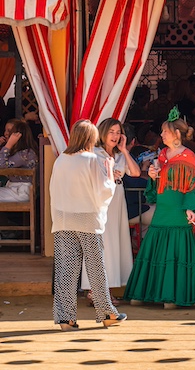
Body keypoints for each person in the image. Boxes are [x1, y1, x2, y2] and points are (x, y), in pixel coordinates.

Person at [124, 110, 195, 308]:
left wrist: (190, 208)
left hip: (178, 208)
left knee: (174, 248)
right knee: (154, 244)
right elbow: (157, 182)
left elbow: (191, 185)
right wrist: (153, 175)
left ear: (176, 134)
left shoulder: (188, 156)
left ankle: (172, 296)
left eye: (164, 131)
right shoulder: (162, 154)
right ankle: (146, 293)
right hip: (163, 206)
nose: (161, 135)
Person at [50, 120, 126, 331]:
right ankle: (107, 312)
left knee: (66, 269)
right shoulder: (91, 160)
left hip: (63, 219)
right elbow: (104, 191)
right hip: (87, 219)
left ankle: (66, 318)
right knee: (95, 267)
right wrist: (110, 170)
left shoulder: (60, 160)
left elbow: (53, 191)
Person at [81, 118, 141, 304]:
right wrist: (106, 175)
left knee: (115, 243)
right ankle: (94, 291)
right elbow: (88, 176)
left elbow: (136, 172)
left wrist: (124, 150)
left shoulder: (120, 155)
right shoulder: (94, 153)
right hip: (100, 201)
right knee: (101, 243)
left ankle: (106, 291)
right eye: (111, 132)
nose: (115, 136)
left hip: (117, 200)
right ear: (103, 133)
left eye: (118, 132)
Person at [0, 118, 38, 203]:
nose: (6, 134)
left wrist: (8, 145)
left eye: (10, 132)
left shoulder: (25, 154)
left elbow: (1, 165)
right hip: (15, 189)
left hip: (20, 192)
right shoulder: (23, 152)